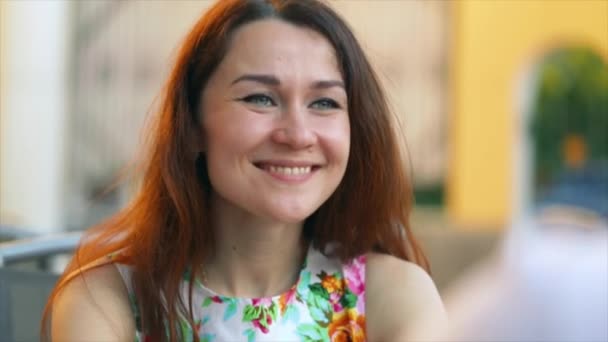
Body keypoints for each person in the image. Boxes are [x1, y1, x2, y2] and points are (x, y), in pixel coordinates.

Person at [43, 0, 445, 341]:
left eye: (324, 103)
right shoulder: (106, 299)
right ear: (193, 127)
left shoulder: (391, 296)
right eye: (260, 98)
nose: (298, 134)